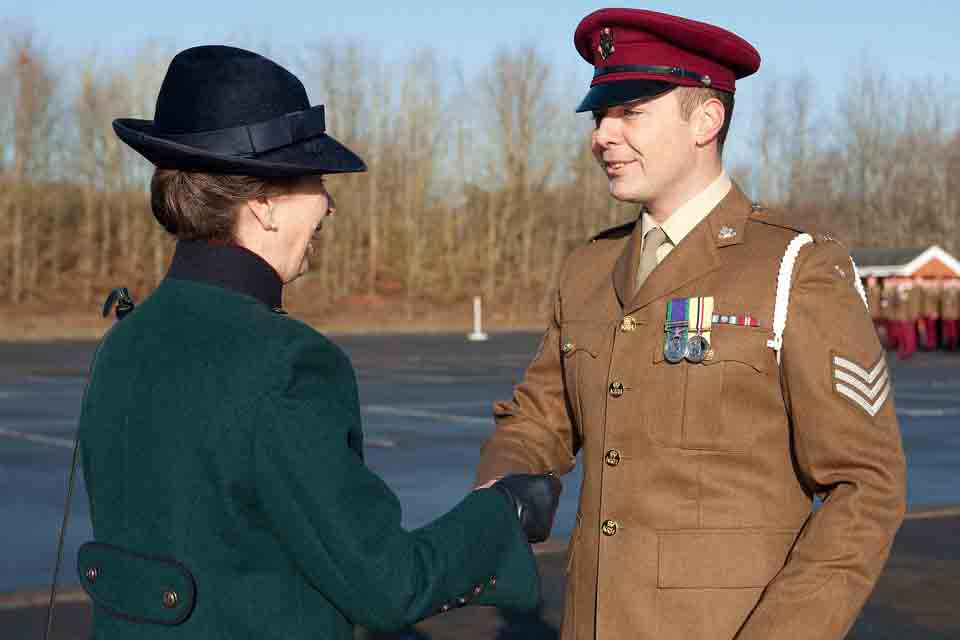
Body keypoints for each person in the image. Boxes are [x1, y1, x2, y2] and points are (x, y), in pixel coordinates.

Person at [75, 45, 561, 640]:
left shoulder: (123, 343)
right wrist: (504, 514)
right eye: (316, 181)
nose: (329, 205)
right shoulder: (285, 364)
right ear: (263, 204)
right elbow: (387, 584)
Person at [474, 8, 907, 640]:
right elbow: (540, 420)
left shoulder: (793, 266)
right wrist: (501, 484)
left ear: (707, 119)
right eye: (599, 115)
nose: (602, 136)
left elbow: (866, 487)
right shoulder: (589, 269)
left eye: (630, 112)